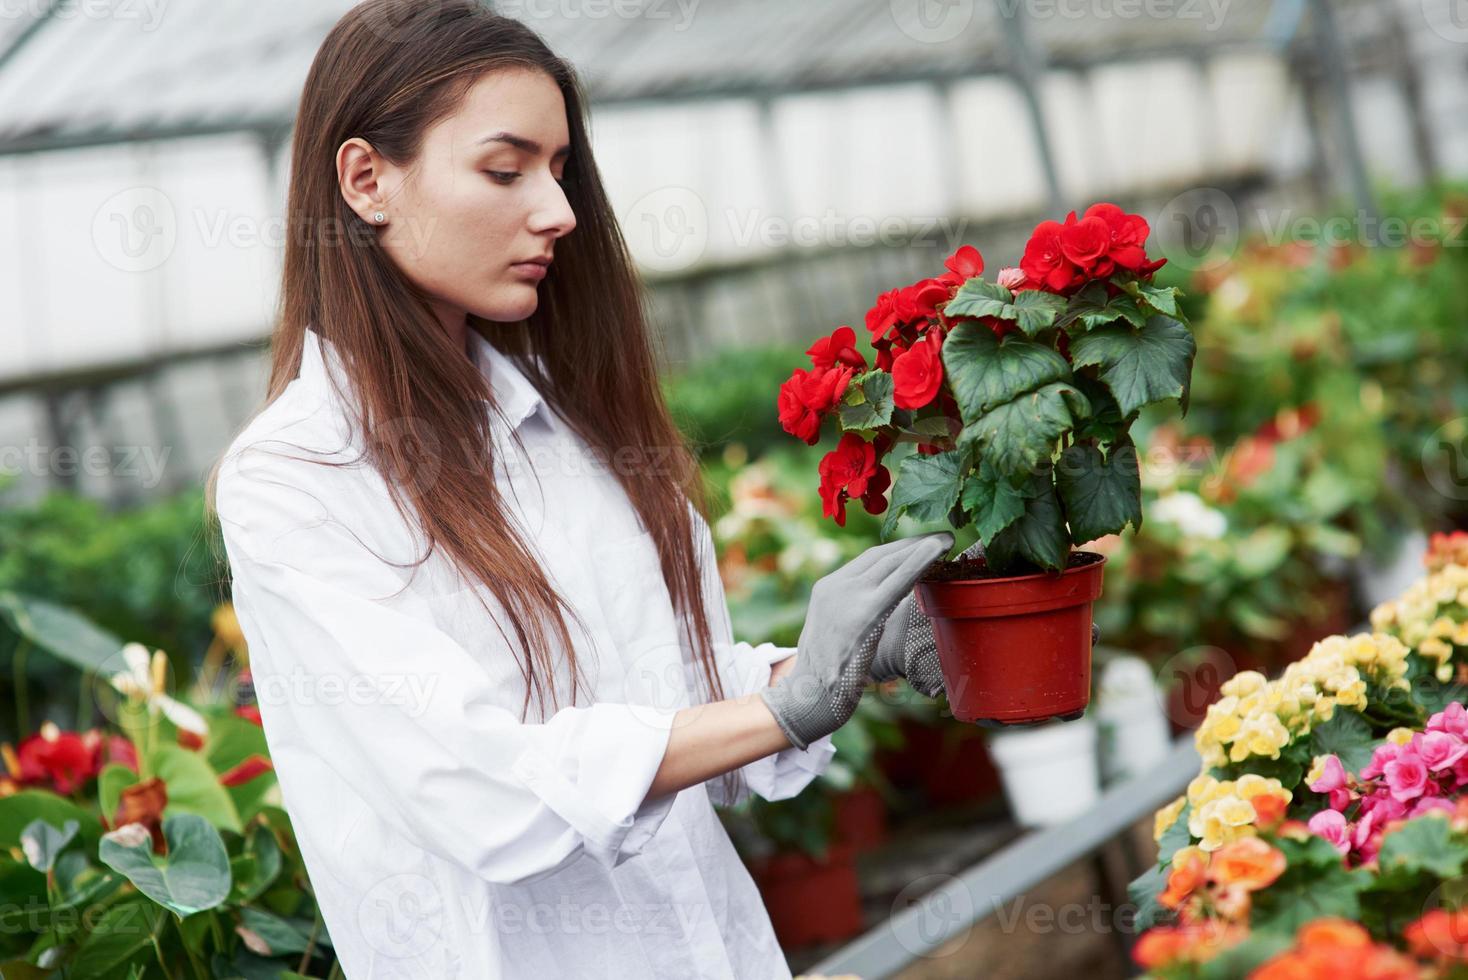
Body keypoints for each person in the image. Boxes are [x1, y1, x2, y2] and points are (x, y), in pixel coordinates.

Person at [206, 2, 962, 977]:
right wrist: (783, 710)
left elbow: (667, 704)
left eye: (559, 169)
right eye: (504, 168)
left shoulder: (560, 423)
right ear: (364, 179)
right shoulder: (296, 480)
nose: (559, 210)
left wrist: (837, 663)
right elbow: (477, 786)